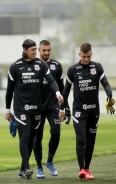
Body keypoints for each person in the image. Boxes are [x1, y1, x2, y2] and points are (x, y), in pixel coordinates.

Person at [5, 39, 64, 180]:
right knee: (25, 136)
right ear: (25, 50)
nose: (35, 52)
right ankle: (26, 168)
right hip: (21, 109)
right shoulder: (15, 66)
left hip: (37, 109)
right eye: (32, 50)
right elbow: (9, 90)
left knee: (31, 139)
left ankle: (22, 169)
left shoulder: (41, 65)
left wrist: (57, 92)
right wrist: (8, 109)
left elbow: (51, 80)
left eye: (35, 49)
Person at [59, 43, 113, 180]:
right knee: (81, 139)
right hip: (79, 111)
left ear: (91, 54)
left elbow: (105, 83)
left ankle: (87, 169)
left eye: (88, 56)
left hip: (94, 110)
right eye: (84, 57)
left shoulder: (97, 67)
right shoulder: (72, 70)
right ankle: (81, 169)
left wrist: (109, 94)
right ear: (79, 55)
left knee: (91, 141)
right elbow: (65, 91)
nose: (86, 59)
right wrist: (62, 108)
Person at [33, 40, 71, 179]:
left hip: (53, 106)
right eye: (44, 50)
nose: (47, 52)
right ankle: (38, 167)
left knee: (56, 133)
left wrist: (65, 108)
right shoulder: (34, 65)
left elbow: (62, 89)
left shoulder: (56, 66)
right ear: (39, 50)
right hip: (37, 108)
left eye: (49, 50)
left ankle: (49, 161)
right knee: (37, 138)